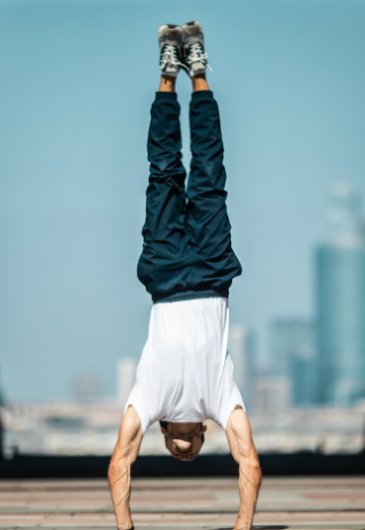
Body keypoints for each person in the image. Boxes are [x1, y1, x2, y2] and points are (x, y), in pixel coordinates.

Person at [107, 21, 262, 530]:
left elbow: (118, 465)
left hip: (167, 273)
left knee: (164, 171)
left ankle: (166, 75)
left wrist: (125, 528)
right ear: (201, 437)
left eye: (177, 449)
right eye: (191, 449)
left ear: (168, 435)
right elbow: (251, 465)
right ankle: (198, 70)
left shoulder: (149, 400)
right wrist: (242, 528)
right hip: (213, 271)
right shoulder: (221, 400)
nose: (184, 452)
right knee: (210, 173)